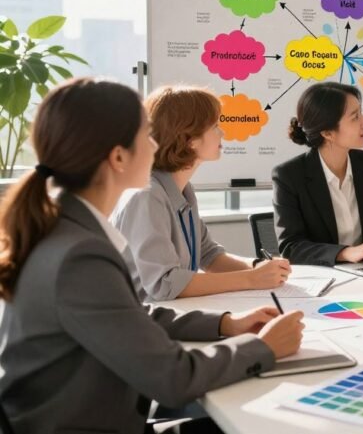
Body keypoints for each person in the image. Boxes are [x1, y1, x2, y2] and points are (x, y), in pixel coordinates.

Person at [0, 78, 305, 434]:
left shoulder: (67, 229)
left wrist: (225, 323)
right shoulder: (78, 255)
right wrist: (262, 347)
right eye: (147, 135)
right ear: (117, 157)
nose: (156, 144)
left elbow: (127, 315)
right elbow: (173, 377)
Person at [114, 86, 292, 301]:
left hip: (175, 313)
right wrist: (251, 278)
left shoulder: (183, 190)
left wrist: (258, 267)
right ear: (189, 138)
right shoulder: (147, 196)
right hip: (145, 322)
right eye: (215, 126)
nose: (222, 132)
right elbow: (164, 284)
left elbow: (208, 255)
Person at [273, 82, 363, 266]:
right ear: (327, 133)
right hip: (324, 278)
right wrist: (345, 253)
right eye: (355, 117)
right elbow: (291, 248)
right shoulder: (289, 175)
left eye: (361, 113)